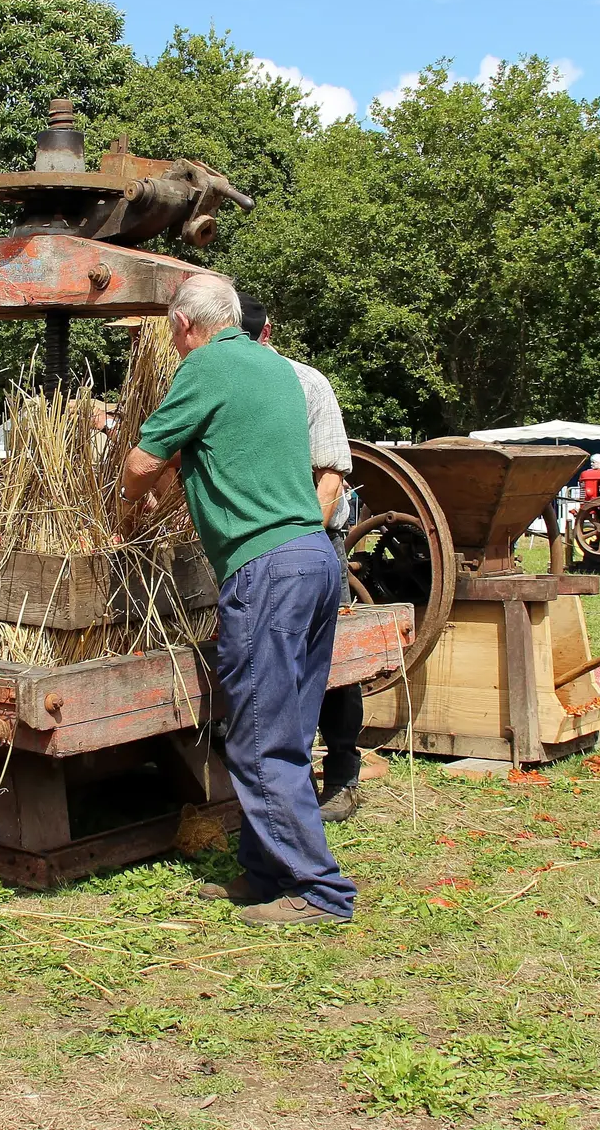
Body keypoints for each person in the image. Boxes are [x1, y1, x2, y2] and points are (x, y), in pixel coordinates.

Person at [116, 275, 354, 926]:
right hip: (313, 557)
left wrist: (125, 498)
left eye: (171, 333)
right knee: (286, 731)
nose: (173, 344)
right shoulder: (274, 367)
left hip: (265, 570)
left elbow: (140, 463)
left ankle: (321, 891)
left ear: (188, 326)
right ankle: (264, 870)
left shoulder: (208, 364)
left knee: (254, 739)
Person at [236, 292, 361, 822]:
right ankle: (271, 783)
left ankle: (342, 774)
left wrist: (299, 543)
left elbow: (330, 474)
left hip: (306, 543)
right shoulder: (222, 384)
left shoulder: (306, 382)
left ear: (265, 335)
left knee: (326, 663)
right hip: (252, 548)